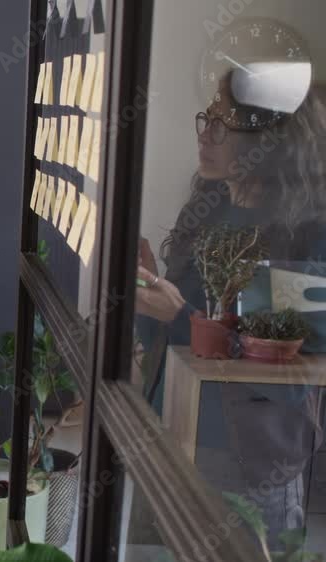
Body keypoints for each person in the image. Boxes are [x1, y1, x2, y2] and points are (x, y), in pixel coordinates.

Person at [135, 73, 326, 545]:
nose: (205, 134)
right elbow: (170, 342)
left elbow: (292, 375)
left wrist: (181, 317)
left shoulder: (308, 233)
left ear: (269, 139)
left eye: (223, 124)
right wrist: (146, 296)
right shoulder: (210, 205)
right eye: (207, 118)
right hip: (166, 439)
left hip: (247, 471)